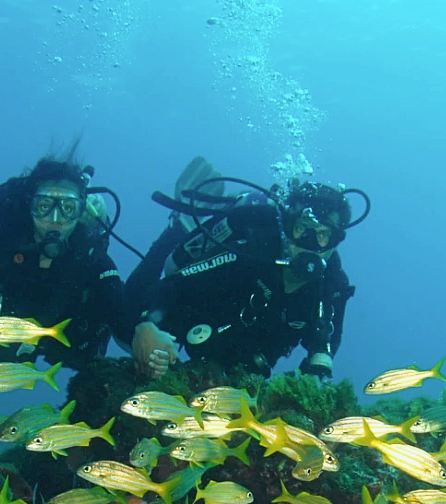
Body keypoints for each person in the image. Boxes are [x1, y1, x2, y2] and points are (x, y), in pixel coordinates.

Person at [126, 157, 370, 382]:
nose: (311, 245)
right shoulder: (250, 252)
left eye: (324, 235)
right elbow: (172, 286)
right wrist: (147, 325)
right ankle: (178, 228)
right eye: (302, 229)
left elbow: (325, 345)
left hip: (242, 366)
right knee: (124, 328)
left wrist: (309, 381)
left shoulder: (332, 286)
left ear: (336, 240)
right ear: (287, 228)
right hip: (192, 325)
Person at [0, 152, 126, 371]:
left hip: (73, 348)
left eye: (68, 208)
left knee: (89, 362)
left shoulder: (94, 260)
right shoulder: (2, 246)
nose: (56, 220)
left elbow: (123, 325)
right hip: (10, 343)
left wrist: (145, 334)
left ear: (80, 212)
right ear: (30, 207)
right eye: (44, 206)